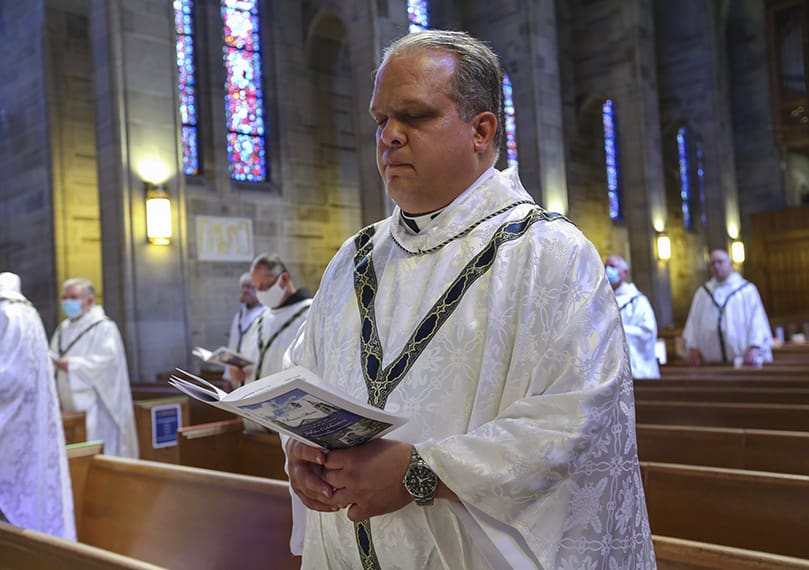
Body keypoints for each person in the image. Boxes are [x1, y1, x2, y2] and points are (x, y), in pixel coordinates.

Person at [282, 30, 655, 569]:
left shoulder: (549, 254)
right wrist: (302, 450)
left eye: (414, 116)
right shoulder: (353, 258)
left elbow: (577, 423)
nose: (390, 136)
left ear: (481, 130)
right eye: (381, 120)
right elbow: (305, 374)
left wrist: (420, 474)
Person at [0, 272, 75, 539]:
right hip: (30, 423)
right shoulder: (28, 313)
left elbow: (9, 380)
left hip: (13, 427)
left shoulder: (7, 312)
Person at [50, 278, 138, 458]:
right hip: (68, 404)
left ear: (89, 300)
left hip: (98, 405)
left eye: (73, 297)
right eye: (64, 297)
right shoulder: (62, 329)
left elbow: (107, 362)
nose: (67, 302)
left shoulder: (103, 327)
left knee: (98, 447)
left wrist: (72, 365)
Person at [683, 249, 773, 366]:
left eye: (720, 262)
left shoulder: (747, 290)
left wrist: (754, 346)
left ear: (730, 264)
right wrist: (693, 347)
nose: (716, 266)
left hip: (742, 361)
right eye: (712, 263)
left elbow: (757, 320)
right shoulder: (703, 293)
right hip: (710, 363)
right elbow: (693, 322)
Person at [248, 253, 312, 383]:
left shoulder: (309, 314)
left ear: (283, 279)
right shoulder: (260, 319)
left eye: (264, 286)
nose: (260, 294)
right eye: (256, 288)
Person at [605, 255, 661, 379]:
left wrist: (617, 330)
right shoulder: (602, 301)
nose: (607, 270)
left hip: (637, 372)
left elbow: (647, 332)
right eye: (606, 266)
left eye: (613, 266)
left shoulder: (638, 301)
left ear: (625, 272)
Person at [222, 272, 267, 389]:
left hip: (254, 375)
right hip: (236, 375)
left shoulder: (266, 315)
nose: (245, 290)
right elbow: (232, 346)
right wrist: (227, 377)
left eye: (250, 287)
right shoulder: (239, 316)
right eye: (243, 287)